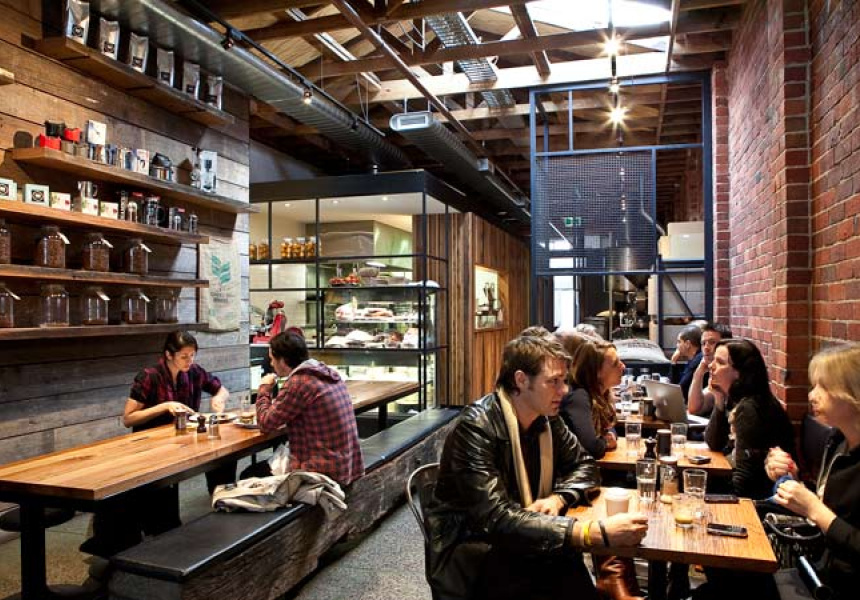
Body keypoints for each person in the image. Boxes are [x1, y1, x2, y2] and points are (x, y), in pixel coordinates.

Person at [426, 334, 648, 600]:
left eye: (564, 380)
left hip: (522, 542)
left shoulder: (547, 418)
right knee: (564, 562)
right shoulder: (476, 427)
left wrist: (558, 499)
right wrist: (590, 533)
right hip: (474, 553)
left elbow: (586, 466)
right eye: (553, 381)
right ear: (521, 380)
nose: (563, 390)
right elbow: (496, 518)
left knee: (567, 566)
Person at [81, 331, 234, 557]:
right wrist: (164, 406)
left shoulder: (194, 372)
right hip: (150, 447)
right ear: (169, 355)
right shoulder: (149, 376)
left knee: (223, 459)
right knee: (152, 496)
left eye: (192, 355)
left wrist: (219, 398)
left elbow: (220, 388)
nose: (189, 361)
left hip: (181, 443)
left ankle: (225, 509)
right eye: (184, 356)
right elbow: (128, 418)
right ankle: (139, 537)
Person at [765, 345, 860, 597]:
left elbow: (827, 518)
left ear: (853, 393)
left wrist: (813, 508)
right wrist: (792, 479)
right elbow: (831, 509)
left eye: (822, 386)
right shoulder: (838, 441)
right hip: (820, 572)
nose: (811, 395)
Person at [250, 330, 364, 486]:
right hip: (348, 466)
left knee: (249, 475)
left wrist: (264, 388)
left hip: (323, 472)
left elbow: (265, 423)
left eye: (272, 359)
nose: (271, 364)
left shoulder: (299, 382)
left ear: (282, 360)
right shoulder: (326, 372)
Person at [705, 338, 795, 499]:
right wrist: (719, 400)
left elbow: (745, 481)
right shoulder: (739, 398)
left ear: (739, 373)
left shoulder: (750, 409)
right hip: (745, 487)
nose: (711, 366)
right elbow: (714, 443)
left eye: (720, 362)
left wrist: (719, 502)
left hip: (760, 497)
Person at [557, 338, 622, 459]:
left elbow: (609, 428)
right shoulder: (578, 397)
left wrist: (608, 436)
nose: (623, 366)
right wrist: (605, 442)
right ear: (597, 372)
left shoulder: (600, 394)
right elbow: (591, 447)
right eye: (615, 364)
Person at [687, 323, 733, 416]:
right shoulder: (714, 371)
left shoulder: (732, 373)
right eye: (703, 343)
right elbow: (694, 408)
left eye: (712, 342)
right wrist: (699, 373)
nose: (706, 348)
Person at [670, 324, 703, 400]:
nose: (677, 345)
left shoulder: (697, 361)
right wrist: (673, 362)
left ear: (688, 344)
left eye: (679, 342)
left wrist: (673, 361)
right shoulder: (692, 359)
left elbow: (679, 390)